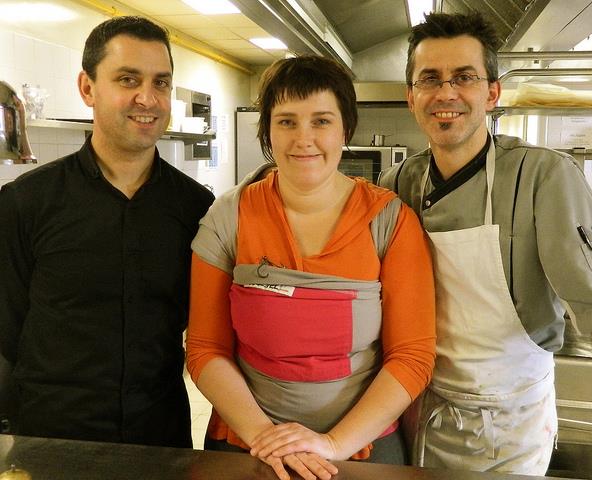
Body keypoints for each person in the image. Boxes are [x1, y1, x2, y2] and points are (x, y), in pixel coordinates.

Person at [379, 11, 592, 474]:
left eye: (464, 77)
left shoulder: (544, 178)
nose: (446, 93)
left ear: (492, 93)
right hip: (421, 412)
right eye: (430, 79)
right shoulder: (398, 182)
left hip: (511, 426)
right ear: (411, 97)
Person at [186, 55, 436, 480]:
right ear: (267, 130)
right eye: (286, 121)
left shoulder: (389, 221)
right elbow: (205, 348)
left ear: (345, 130)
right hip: (245, 446)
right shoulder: (229, 217)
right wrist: (263, 435)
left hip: (362, 450)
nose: (304, 138)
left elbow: (412, 356)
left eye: (321, 121)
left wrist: (332, 444)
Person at [0, 16, 214, 447]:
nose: (147, 98)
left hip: (160, 442)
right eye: (128, 79)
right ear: (87, 88)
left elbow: (206, 332)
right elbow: (4, 337)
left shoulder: (196, 209)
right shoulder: (25, 203)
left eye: (161, 83)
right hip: (51, 443)